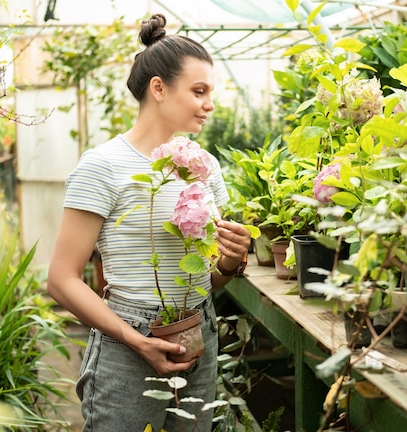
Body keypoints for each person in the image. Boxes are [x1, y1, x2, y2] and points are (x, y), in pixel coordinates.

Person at [47, 13, 251, 432]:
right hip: (127, 344)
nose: (209, 104)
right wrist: (137, 340)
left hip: (200, 332)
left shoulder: (205, 167)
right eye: (198, 91)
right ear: (158, 88)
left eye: (210, 92)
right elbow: (62, 279)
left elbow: (208, 279)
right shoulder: (103, 166)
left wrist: (230, 261)